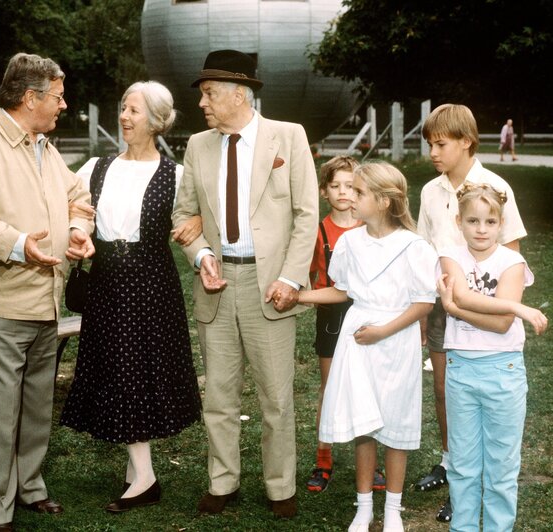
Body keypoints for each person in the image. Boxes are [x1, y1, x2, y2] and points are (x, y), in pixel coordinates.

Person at [0, 52, 94, 531]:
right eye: (57, 96)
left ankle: (30, 487)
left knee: (35, 407)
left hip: (44, 302)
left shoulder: (42, 145)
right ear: (30, 98)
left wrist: (75, 227)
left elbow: (78, 194)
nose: (64, 105)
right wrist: (18, 245)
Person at [172, 49, 319, 518]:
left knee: (276, 397)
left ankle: (281, 489)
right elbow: (182, 213)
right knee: (218, 394)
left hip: (270, 284)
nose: (202, 104)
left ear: (241, 94)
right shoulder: (198, 146)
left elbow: (306, 215)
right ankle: (223, 482)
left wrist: (291, 277)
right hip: (218, 284)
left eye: (210, 94)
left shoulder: (288, 137)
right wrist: (201, 257)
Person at [59, 81, 203, 513]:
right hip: (107, 283)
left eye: (134, 110)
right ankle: (140, 471)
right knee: (118, 370)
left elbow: (196, 220)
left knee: (139, 372)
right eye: (122, 107)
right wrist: (78, 234)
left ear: (157, 121)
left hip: (152, 286)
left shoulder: (175, 177)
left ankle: (143, 476)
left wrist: (199, 234)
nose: (124, 116)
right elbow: (78, 213)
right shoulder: (96, 168)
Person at [298, 161, 437, 532]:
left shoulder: (414, 246)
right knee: (365, 423)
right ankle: (364, 507)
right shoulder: (349, 242)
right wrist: (301, 297)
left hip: (395, 340)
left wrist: (384, 330)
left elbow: (423, 301)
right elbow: (341, 289)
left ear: (384, 201)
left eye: (359, 193)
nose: (351, 199)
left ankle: (393, 507)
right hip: (358, 340)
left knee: (395, 422)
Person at [417, 103, 528, 523]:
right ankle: (455, 467)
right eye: (429, 144)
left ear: (466, 141)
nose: (433, 152)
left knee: (481, 392)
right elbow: (425, 249)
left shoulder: (494, 186)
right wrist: (430, 306)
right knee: (447, 390)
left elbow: (510, 250)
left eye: (441, 143)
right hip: (442, 302)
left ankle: (477, 482)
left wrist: (482, 300)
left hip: (484, 305)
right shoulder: (430, 191)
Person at [437, 182, 547, 531]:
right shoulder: (449, 255)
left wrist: (454, 307)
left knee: (501, 467)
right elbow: (467, 296)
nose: (481, 230)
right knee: (463, 465)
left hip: (504, 370)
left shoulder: (513, 261)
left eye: (489, 222)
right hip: (461, 369)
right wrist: (516, 306)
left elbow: (500, 324)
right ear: (459, 222)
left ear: (501, 224)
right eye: (472, 221)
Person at [306, 156, 387, 494]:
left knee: (370, 388)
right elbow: (312, 276)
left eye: (350, 187)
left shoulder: (372, 227)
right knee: (331, 387)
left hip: (368, 314)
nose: (344, 193)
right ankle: (323, 459)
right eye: (335, 186)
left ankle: (372, 463)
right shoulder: (319, 229)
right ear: (324, 191)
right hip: (332, 316)